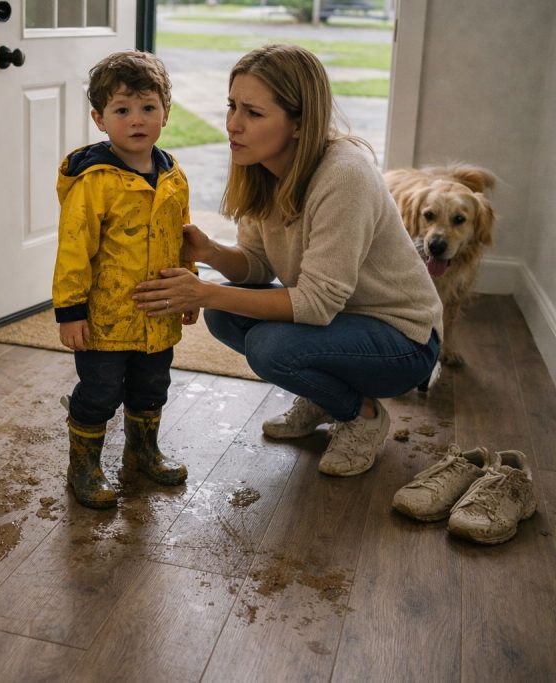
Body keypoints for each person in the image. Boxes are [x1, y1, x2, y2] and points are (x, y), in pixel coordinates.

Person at [133, 44, 442, 477]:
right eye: (232, 106)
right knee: (225, 317)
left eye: (253, 113)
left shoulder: (344, 175)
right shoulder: (262, 166)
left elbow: (315, 305)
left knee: (267, 345)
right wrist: (210, 253)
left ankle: (363, 415)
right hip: (342, 323)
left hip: (402, 341)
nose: (232, 124)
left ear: (299, 123)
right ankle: (324, 395)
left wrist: (205, 292)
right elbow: (259, 265)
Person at [53, 50, 198, 509]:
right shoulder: (93, 182)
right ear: (99, 118)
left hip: (157, 314)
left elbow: (183, 237)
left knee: (152, 385)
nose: (136, 120)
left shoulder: (173, 175)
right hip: (106, 318)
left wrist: (189, 285)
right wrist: (71, 311)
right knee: (99, 392)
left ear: (165, 114)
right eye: (122, 110)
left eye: (148, 108)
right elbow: (74, 249)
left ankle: (142, 451)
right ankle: (83, 466)